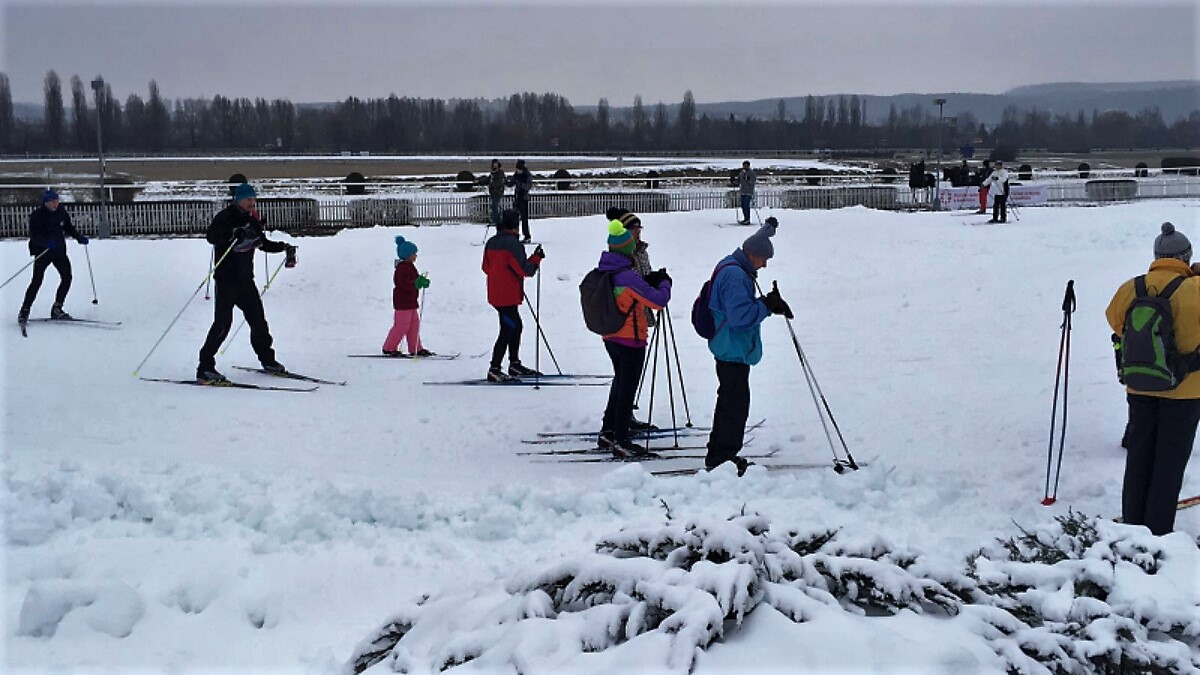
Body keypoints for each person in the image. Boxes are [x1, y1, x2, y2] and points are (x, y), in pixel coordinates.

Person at [1105, 222, 1200, 536]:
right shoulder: (1195, 289)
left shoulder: (1132, 287)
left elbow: (1116, 322)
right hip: (1186, 392)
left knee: (1139, 457)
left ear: (1156, 256)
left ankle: (1132, 526)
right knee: (1169, 464)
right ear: (1186, 257)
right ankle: (1157, 533)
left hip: (1141, 385)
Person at [704, 218, 791, 476]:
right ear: (752, 255)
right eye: (763, 259)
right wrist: (766, 306)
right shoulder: (735, 276)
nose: (764, 265)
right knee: (735, 404)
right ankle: (723, 458)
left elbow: (758, 237)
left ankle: (719, 452)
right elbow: (740, 318)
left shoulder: (735, 265)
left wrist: (769, 228)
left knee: (730, 400)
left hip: (729, 347)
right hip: (731, 348)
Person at [196, 183, 295, 383]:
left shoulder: (251, 221)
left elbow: (262, 244)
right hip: (226, 281)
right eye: (248, 199)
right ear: (238, 199)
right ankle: (205, 367)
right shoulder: (225, 217)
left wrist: (284, 247)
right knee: (223, 325)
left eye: (254, 199)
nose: (252, 202)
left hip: (245, 281)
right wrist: (232, 234)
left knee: (258, 322)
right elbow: (211, 237)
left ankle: (268, 361)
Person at [594, 217, 672, 459]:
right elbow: (658, 301)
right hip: (631, 339)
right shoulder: (627, 276)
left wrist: (649, 283)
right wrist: (665, 284)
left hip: (611, 336)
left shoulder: (605, 271)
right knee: (627, 387)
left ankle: (608, 431)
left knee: (620, 383)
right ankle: (621, 439)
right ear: (627, 248)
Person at [482, 208, 544, 382]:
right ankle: (495, 368)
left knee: (515, 326)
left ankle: (514, 364)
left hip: (496, 294)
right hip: (506, 296)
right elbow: (525, 270)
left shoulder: (492, 242)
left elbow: (485, 268)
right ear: (516, 226)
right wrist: (537, 258)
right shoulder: (513, 244)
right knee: (509, 328)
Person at [18, 189, 88, 323]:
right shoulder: (37, 216)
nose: (55, 204)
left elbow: (68, 227)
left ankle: (57, 308)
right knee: (36, 282)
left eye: (57, 201)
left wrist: (78, 237)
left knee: (67, 278)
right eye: (52, 202)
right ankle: (24, 311)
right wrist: (45, 243)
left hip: (59, 252)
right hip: (43, 253)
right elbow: (34, 236)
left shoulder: (61, 212)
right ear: (46, 202)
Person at [382, 235, 432, 357]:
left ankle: (415, 347)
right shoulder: (401, 268)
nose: (416, 256)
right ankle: (389, 347)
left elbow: (413, 281)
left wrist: (421, 281)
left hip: (411, 302)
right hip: (403, 303)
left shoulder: (409, 266)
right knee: (401, 326)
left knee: (414, 325)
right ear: (407, 255)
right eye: (414, 254)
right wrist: (416, 283)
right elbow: (404, 283)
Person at [508, 159, 534, 242]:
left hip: (524, 198)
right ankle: (515, 234)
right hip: (517, 198)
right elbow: (512, 183)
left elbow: (528, 186)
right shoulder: (516, 174)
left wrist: (520, 184)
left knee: (524, 218)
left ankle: (527, 236)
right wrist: (506, 182)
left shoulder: (527, 175)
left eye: (519, 169)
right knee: (514, 217)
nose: (518, 171)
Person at [485, 159, 506, 227]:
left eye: (496, 163)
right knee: (494, 206)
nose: (494, 165)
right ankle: (495, 219)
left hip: (498, 192)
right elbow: (487, 180)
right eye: (493, 163)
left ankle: (496, 221)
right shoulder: (492, 173)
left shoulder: (500, 172)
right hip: (492, 192)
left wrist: (492, 185)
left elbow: (499, 182)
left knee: (494, 205)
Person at [737, 160, 757, 225]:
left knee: (746, 205)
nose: (744, 167)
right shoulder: (742, 172)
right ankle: (745, 218)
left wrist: (748, 180)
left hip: (749, 191)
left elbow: (753, 181)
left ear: (748, 166)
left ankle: (748, 219)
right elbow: (740, 180)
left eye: (746, 165)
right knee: (743, 205)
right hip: (742, 191)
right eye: (743, 165)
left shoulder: (752, 173)